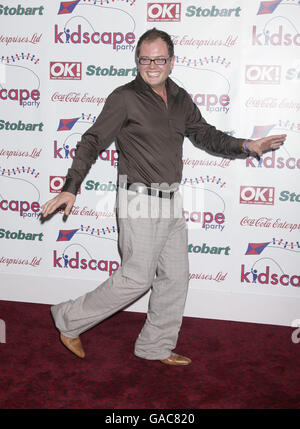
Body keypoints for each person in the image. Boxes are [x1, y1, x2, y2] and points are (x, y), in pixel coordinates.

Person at [41, 28, 286, 365]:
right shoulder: (124, 97)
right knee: (136, 278)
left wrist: (246, 146)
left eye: (159, 59)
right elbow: (92, 140)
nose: (152, 65)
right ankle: (68, 318)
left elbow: (206, 136)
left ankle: (153, 346)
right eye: (145, 59)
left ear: (172, 61)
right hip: (138, 199)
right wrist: (71, 186)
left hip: (172, 200)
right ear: (137, 61)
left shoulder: (181, 97)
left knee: (175, 277)